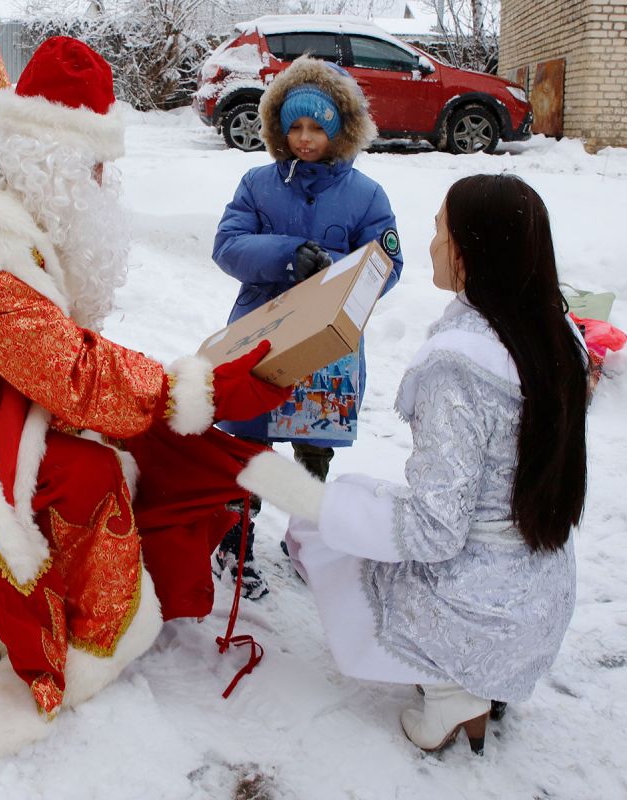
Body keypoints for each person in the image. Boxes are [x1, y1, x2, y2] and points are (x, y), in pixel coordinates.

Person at [0, 37, 289, 761]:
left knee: (122, 437)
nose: (99, 183)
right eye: (92, 168)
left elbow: (55, 360)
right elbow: (71, 373)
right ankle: (84, 639)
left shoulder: (5, 212)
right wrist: (195, 388)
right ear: (51, 162)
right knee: (90, 472)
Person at [236, 174, 589, 755]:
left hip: (478, 611)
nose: (428, 243)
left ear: (470, 248)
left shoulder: (460, 366)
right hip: (541, 599)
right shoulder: (554, 336)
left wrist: (311, 501)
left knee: (324, 530)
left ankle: (451, 683)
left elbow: (434, 529)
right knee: (359, 499)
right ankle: (480, 678)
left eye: (438, 229)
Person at [211, 56, 404, 598]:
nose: (304, 138)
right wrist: (288, 256)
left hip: (327, 344)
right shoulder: (256, 184)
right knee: (249, 440)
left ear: (340, 128)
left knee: (315, 445)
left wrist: (337, 275)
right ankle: (235, 541)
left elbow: (387, 265)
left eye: (317, 127)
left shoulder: (366, 196)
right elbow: (228, 247)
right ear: (277, 128)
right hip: (261, 333)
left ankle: (305, 542)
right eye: (294, 126)